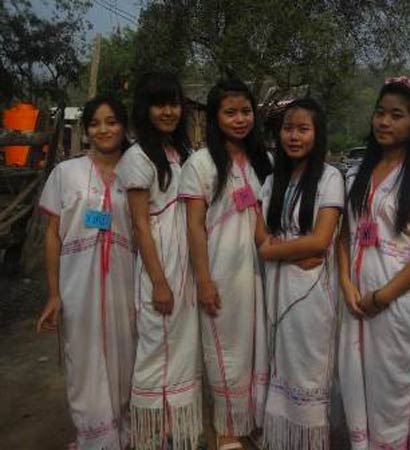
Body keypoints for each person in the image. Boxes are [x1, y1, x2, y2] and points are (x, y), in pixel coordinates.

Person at [337, 76, 410, 449]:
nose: (384, 122)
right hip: (354, 300)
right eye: (380, 112)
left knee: (392, 392)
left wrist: (382, 296)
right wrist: (346, 284)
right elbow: (344, 234)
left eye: (396, 115)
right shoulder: (357, 174)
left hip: (396, 303)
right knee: (355, 385)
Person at [37, 95, 136, 450]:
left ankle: (126, 433)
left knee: (127, 357)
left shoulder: (138, 172)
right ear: (86, 130)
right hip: (77, 286)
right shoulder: (66, 173)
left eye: (111, 121)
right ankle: (95, 438)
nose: (103, 130)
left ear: (123, 126)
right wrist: (54, 294)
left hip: (126, 284)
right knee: (83, 361)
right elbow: (53, 235)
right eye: (95, 123)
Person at [179, 79, 271, 449]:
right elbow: (194, 227)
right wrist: (203, 279)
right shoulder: (200, 164)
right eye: (230, 112)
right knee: (227, 350)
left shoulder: (265, 162)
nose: (239, 119)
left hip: (262, 271)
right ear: (215, 118)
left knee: (260, 347)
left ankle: (256, 419)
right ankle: (227, 427)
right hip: (221, 272)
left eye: (246, 111)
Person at [115, 72, 202, 450]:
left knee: (183, 349)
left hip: (187, 263)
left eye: (174, 104)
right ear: (145, 110)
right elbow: (140, 225)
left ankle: (175, 431)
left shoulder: (182, 153)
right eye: (159, 104)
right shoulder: (137, 157)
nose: (168, 112)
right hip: (160, 264)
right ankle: (149, 435)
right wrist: (159, 281)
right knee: (155, 350)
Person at [256, 98, 344, 450]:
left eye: (303, 129)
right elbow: (260, 231)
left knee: (309, 364)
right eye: (288, 129)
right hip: (276, 290)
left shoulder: (330, 178)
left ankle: (309, 439)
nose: (294, 137)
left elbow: (321, 240)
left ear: (317, 134)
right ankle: (282, 439)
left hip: (311, 293)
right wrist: (292, 251)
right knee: (278, 361)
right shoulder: (272, 180)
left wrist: (273, 252)